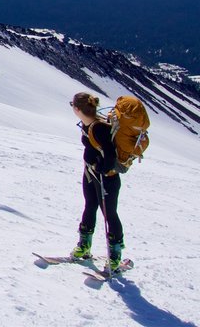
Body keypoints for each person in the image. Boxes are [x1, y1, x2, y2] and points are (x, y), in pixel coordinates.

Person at [70, 92, 125, 270]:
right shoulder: (89, 124)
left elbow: (109, 155)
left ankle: (115, 256)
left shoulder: (99, 127)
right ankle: (84, 246)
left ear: (77, 109)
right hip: (92, 174)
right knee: (90, 205)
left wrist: (100, 167)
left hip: (106, 178)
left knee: (109, 213)